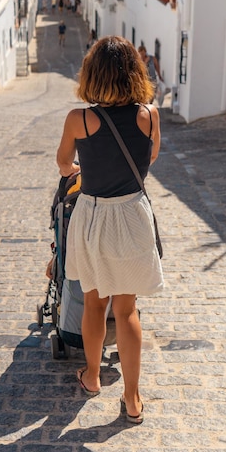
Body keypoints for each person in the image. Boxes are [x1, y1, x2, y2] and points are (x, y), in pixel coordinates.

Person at [56, 36, 163, 425]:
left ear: (92, 74)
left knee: (95, 303)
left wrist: (82, 168)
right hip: (133, 215)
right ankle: (133, 398)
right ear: (135, 72)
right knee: (128, 308)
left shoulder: (79, 118)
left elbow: (64, 163)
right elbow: (150, 156)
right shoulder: (150, 115)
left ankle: (93, 376)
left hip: (95, 216)